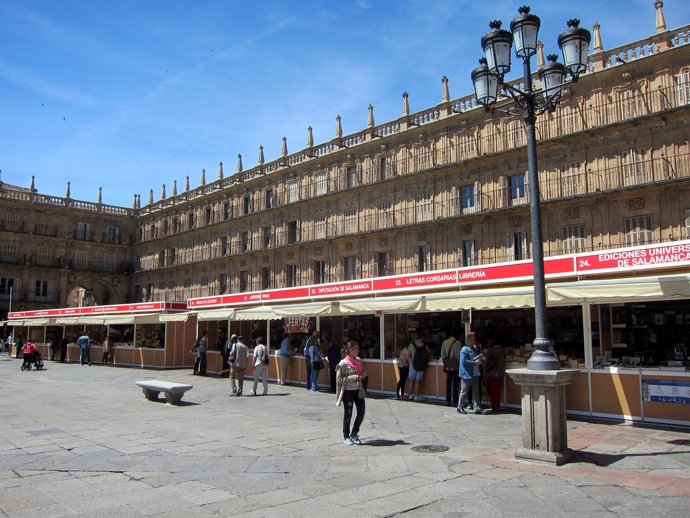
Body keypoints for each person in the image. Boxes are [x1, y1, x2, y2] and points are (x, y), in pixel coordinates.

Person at [336, 341, 368, 445]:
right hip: (348, 392)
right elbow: (339, 379)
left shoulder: (358, 361)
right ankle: (346, 435)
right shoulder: (343, 364)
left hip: (358, 390)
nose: (358, 351)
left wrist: (362, 376)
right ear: (350, 350)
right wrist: (351, 378)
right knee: (348, 413)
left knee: (361, 412)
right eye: (356, 349)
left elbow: (364, 371)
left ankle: (354, 433)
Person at [458, 332, 484, 414]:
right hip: (467, 374)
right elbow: (464, 361)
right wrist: (474, 363)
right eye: (472, 340)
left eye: (474, 340)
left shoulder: (474, 349)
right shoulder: (464, 350)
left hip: (475, 373)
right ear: (468, 341)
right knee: (464, 391)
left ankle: (477, 407)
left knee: (476, 391)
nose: (474, 342)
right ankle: (460, 407)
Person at [440, 331, 463, 407]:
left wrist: (446, 363)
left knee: (448, 382)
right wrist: (456, 364)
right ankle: (455, 401)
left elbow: (442, 354)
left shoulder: (444, 342)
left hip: (448, 363)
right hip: (455, 365)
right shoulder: (458, 343)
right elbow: (458, 355)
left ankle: (448, 400)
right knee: (455, 384)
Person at [484, 342, 507, 412]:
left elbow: (487, 360)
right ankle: (497, 406)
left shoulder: (490, 351)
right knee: (497, 391)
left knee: (492, 391)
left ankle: (493, 406)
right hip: (499, 373)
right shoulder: (503, 351)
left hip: (491, 373)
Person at [406, 337, 428, 401]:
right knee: (418, 381)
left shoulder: (411, 344)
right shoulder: (423, 345)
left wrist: (411, 362)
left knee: (411, 381)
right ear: (421, 338)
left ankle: (410, 395)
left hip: (412, 365)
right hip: (420, 365)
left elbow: (408, 354)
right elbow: (427, 354)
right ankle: (416, 396)